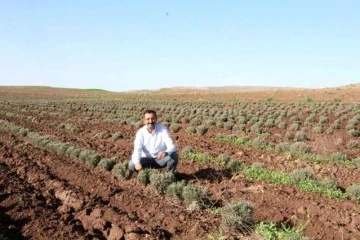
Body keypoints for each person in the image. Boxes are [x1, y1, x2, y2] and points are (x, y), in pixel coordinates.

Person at [128, 109, 179, 176]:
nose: (150, 121)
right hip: (145, 160)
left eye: (152, 118)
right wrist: (137, 162)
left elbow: (171, 146)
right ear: (144, 121)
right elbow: (137, 149)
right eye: (148, 119)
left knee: (174, 155)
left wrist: (165, 152)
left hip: (160, 159)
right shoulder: (140, 133)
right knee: (132, 164)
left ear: (156, 119)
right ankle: (143, 175)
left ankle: (170, 176)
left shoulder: (163, 129)